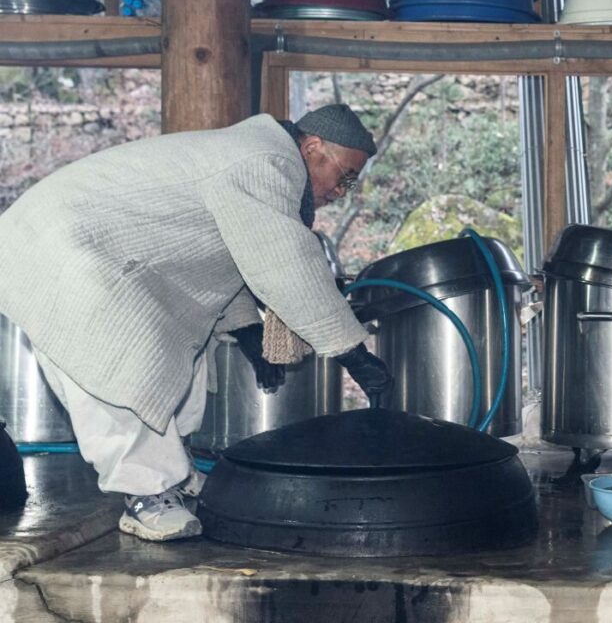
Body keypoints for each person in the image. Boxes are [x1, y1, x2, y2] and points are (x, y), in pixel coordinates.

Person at [0, 104, 392, 542]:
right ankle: (145, 493)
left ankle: (174, 474)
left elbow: (233, 254)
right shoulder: (265, 160)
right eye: (345, 176)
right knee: (114, 360)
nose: (342, 192)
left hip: (96, 249)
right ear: (312, 146)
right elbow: (285, 261)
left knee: (181, 343)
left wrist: (248, 330)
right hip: (61, 247)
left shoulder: (259, 158)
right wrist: (353, 355)